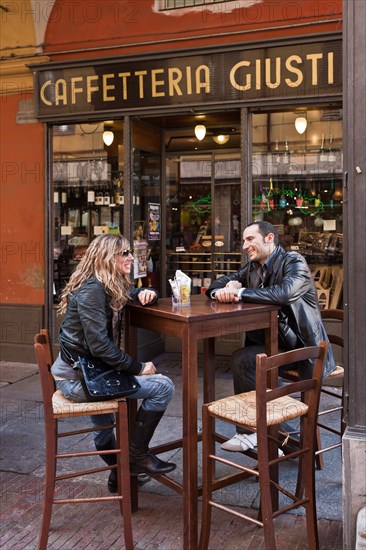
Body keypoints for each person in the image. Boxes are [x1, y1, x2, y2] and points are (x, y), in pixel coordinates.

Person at [51, 234, 176, 492]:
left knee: (104, 427)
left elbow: (127, 292)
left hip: (84, 374)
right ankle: (137, 456)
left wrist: (143, 292)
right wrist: (138, 367)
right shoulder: (92, 291)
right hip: (79, 380)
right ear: (108, 257)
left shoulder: (103, 285)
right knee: (163, 386)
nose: (131, 257)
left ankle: (119, 471)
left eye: (130, 252)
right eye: (125, 253)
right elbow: (99, 346)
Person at [205, 220, 336, 452]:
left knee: (244, 360)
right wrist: (220, 291)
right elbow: (218, 283)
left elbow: (284, 293)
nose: (245, 245)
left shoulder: (294, 261)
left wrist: (240, 292)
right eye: (243, 240)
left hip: (303, 348)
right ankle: (277, 436)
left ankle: (255, 433)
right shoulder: (254, 267)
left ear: (269, 239)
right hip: (274, 344)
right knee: (248, 359)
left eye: (250, 239)